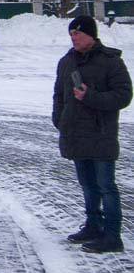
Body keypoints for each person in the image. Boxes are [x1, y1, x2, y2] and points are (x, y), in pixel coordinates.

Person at [53, 15, 132, 254]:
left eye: (78, 34)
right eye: (71, 34)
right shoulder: (66, 61)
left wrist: (90, 96)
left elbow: (123, 96)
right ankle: (93, 226)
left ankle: (112, 235)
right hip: (76, 133)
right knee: (87, 185)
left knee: (106, 186)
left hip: (101, 134)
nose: (74, 39)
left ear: (91, 35)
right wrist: (59, 119)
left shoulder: (111, 62)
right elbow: (59, 94)